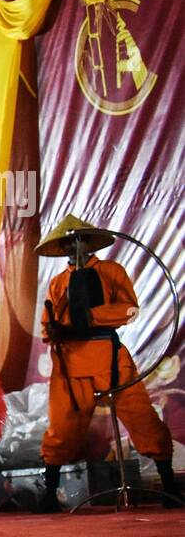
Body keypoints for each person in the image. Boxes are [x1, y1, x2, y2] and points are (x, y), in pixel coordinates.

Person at [36, 215, 180, 511]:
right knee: (61, 428)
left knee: (142, 418)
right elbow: (47, 324)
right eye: (68, 242)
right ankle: (49, 494)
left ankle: (170, 485)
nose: (73, 247)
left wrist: (92, 317)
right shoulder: (58, 283)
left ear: (88, 242)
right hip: (71, 361)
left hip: (109, 357)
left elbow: (129, 310)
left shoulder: (111, 272)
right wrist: (55, 331)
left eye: (78, 240)